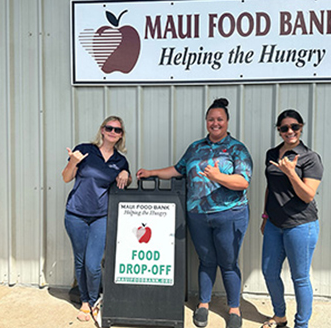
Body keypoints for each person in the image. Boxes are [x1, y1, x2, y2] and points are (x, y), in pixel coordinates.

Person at [136, 98, 253, 328]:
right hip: (198, 214)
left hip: (229, 214)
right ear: (206, 122)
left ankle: (234, 309)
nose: (215, 123)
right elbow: (178, 170)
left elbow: (243, 181)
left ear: (227, 122)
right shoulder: (195, 147)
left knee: (228, 263)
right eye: (211, 119)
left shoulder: (237, 149)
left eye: (219, 119)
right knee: (206, 260)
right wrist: (152, 172)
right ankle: (203, 305)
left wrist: (218, 177)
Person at [62, 116, 131, 322]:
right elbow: (66, 177)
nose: (112, 132)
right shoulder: (84, 150)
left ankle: (94, 299)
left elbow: (125, 180)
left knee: (93, 264)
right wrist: (73, 161)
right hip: (75, 214)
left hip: (101, 216)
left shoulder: (120, 160)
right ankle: (86, 302)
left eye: (117, 130)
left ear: (120, 135)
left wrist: (126, 172)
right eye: (109, 128)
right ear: (102, 130)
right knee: (81, 261)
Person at [260, 109, 323, 328]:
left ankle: (301, 324)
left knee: (300, 278)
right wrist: (265, 216)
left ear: (301, 127)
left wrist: (291, 172)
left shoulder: (310, 157)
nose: (290, 131)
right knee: (268, 271)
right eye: (285, 128)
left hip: (300, 225)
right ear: (279, 130)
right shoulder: (271, 154)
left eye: (294, 127)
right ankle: (280, 316)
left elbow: (307, 195)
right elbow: (271, 187)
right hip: (274, 224)